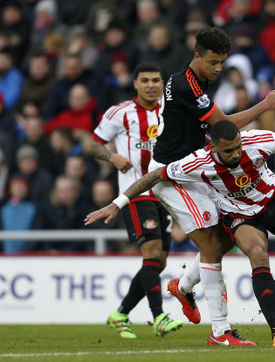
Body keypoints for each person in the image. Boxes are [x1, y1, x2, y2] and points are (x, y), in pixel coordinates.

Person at [85, 120, 275, 347]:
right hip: (239, 217)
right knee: (258, 255)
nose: (235, 155)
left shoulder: (257, 140)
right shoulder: (198, 162)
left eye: (237, 148)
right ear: (213, 147)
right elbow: (154, 175)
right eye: (228, 151)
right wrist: (118, 203)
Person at [147, 26, 275, 346]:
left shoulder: (193, 78)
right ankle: (221, 332)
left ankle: (182, 287)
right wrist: (265, 106)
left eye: (222, 62)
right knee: (213, 246)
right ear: (196, 56)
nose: (217, 68)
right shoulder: (187, 85)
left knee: (226, 236)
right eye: (212, 62)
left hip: (194, 169)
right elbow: (224, 126)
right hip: (172, 176)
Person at [87, 62, 182, 338]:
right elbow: (93, 143)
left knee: (159, 261)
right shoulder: (120, 113)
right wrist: (112, 156)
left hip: (165, 194)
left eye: (155, 80)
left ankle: (120, 313)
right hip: (135, 193)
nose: (151, 85)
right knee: (151, 253)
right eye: (145, 80)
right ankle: (159, 317)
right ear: (135, 84)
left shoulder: (170, 109)